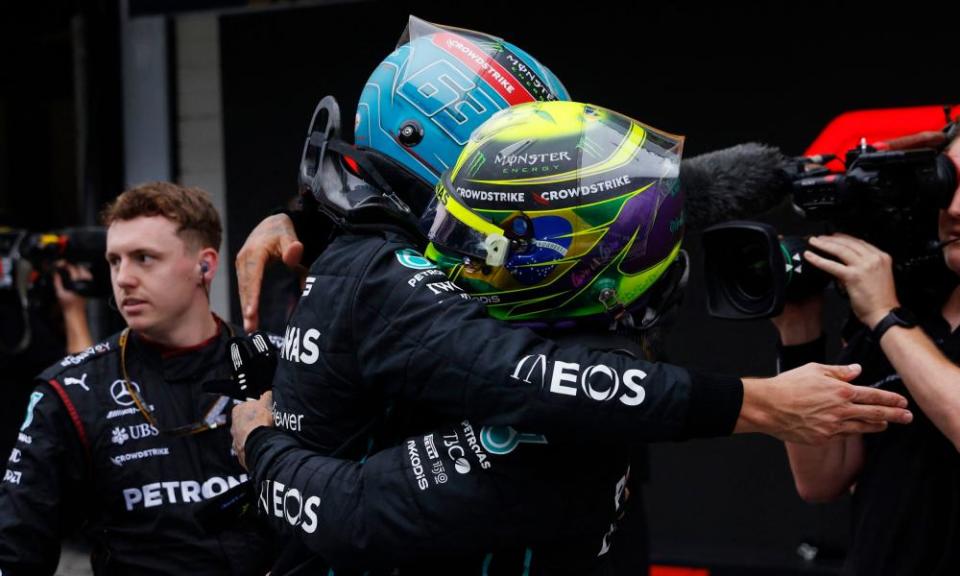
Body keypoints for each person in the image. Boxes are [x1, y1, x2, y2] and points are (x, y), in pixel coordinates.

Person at [230, 18, 912, 575]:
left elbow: (622, 203)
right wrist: (758, 404)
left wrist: (785, 176)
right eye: (519, 154)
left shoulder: (375, 243)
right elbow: (513, 374)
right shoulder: (390, 275)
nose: (549, 175)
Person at [0, 182, 274, 575]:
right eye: (114, 261)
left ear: (205, 265)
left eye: (144, 258)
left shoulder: (281, 365)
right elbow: (15, 550)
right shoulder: (73, 392)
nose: (123, 278)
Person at [776, 134, 960, 575]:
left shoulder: (891, 316)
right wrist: (799, 328)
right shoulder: (911, 310)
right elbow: (822, 477)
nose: (954, 209)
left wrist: (884, 313)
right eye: (948, 180)